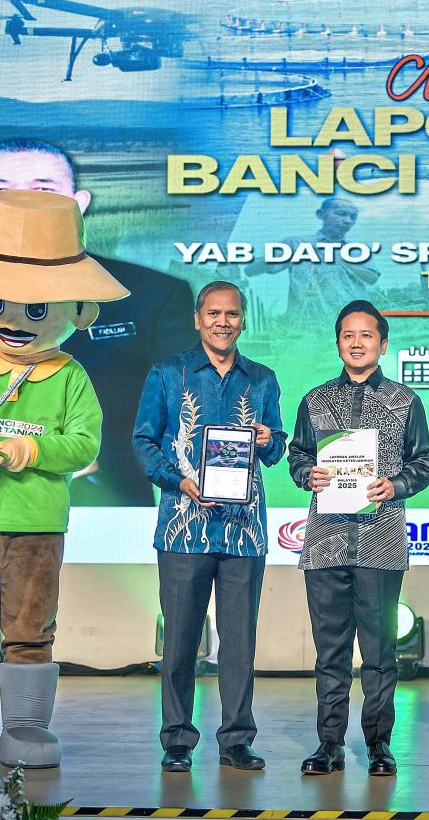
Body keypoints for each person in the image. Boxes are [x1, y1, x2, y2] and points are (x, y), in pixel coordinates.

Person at [0, 190, 127, 768]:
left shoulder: (69, 374)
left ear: (76, 310)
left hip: (36, 524)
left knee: (29, 630)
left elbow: (86, 443)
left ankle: (24, 729)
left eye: (39, 308)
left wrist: (29, 447)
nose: (18, 322)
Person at [0, 138, 196, 506]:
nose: (23, 204)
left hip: (109, 502)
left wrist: (74, 454)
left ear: (80, 203)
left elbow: (180, 409)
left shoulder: (152, 294)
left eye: (44, 189)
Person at [133, 280, 287, 773]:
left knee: (240, 644)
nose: (224, 322)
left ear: (244, 320)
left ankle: (236, 739)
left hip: (244, 533)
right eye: (214, 313)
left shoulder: (262, 379)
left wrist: (268, 438)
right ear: (198, 318)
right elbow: (144, 442)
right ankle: (177, 741)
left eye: (233, 314)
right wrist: (179, 481)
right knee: (180, 641)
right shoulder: (167, 374)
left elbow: (277, 447)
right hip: (184, 529)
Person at [287, 300, 429, 777]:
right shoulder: (314, 400)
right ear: (338, 343)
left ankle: (379, 747)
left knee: (379, 656)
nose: (357, 342)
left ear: (383, 344)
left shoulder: (405, 401)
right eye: (348, 335)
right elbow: (297, 457)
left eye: (366, 335)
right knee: (330, 655)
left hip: (381, 543)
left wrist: (395, 485)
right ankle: (328, 744)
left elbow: (423, 465)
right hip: (326, 543)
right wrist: (307, 473)